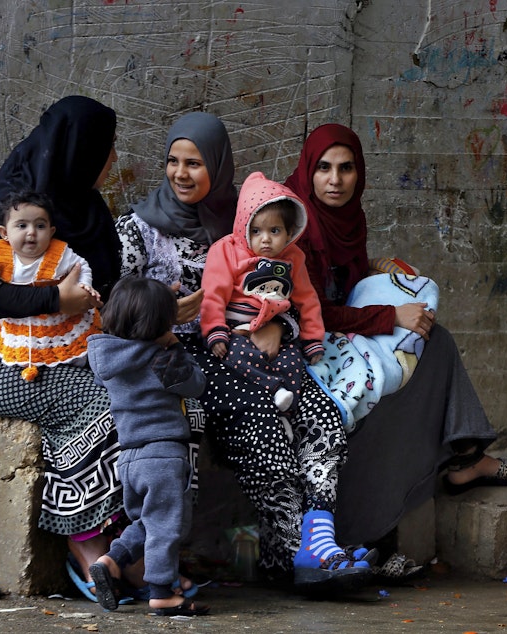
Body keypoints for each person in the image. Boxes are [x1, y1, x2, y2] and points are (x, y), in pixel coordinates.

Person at [0, 95, 201, 602]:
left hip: (73, 346)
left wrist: (156, 310)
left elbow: (104, 293)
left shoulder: (88, 208)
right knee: (99, 404)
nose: (111, 161)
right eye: (105, 150)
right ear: (76, 149)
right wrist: (53, 297)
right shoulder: (14, 206)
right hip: (2, 360)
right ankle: (85, 540)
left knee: (160, 398)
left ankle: (136, 547)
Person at [117, 112, 371, 592]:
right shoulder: (136, 230)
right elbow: (114, 312)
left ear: (218, 165)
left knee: (323, 417)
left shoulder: (250, 220)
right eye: (173, 161)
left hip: (270, 351)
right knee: (264, 429)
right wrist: (164, 315)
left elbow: (293, 293)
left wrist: (281, 324)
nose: (181, 173)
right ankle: (291, 556)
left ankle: (320, 541)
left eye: (195, 162)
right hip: (193, 359)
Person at [284, 124, 507, 574]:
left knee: (436, 341)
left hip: (341, 338)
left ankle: (465, 458)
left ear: (360, 174)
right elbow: (311, 311)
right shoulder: (296, 224)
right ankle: (375, 527)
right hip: (304, 348)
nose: (334, 180)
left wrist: (380, 270)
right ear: (307, 171)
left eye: (346, 168)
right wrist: (391, 317)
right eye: (323, 168)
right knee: (387, 393)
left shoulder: (347, 218)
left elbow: (346, 281)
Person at [87, 276, 209, 616]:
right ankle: (161, 591)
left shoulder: (106, 357)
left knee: (147, 523)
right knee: (165, 527)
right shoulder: (163, 360)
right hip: (164, 454)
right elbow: (195, 386)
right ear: (161, 324)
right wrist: (174, 348)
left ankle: (113, 560)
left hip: (128, 457)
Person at [0, 190, 101, 382]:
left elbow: (82, 266)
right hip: (20, 325)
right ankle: (32, 370)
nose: (31, 232)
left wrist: (85, 285)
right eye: (22, 225)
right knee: (23, 356)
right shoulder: (0, 259)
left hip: (58, 323)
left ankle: (79, 371)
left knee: (75, 353)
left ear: (51, 232)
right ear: (5, 233)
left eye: (40, 225)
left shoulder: (60, 255)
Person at [201, 171, 324, 413]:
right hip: (236, 332)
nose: (265, 240)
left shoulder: (293, 258)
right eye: (256, 231)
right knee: (235, 355)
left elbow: (307, 299)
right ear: (242, 227)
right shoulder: (226, 251)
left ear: (290, 232)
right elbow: (213, 294)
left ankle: (286, 409)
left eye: (275, 231)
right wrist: (215, 330)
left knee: (293, 361)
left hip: (275, 326)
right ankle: (275, 390)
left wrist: (312, 338)